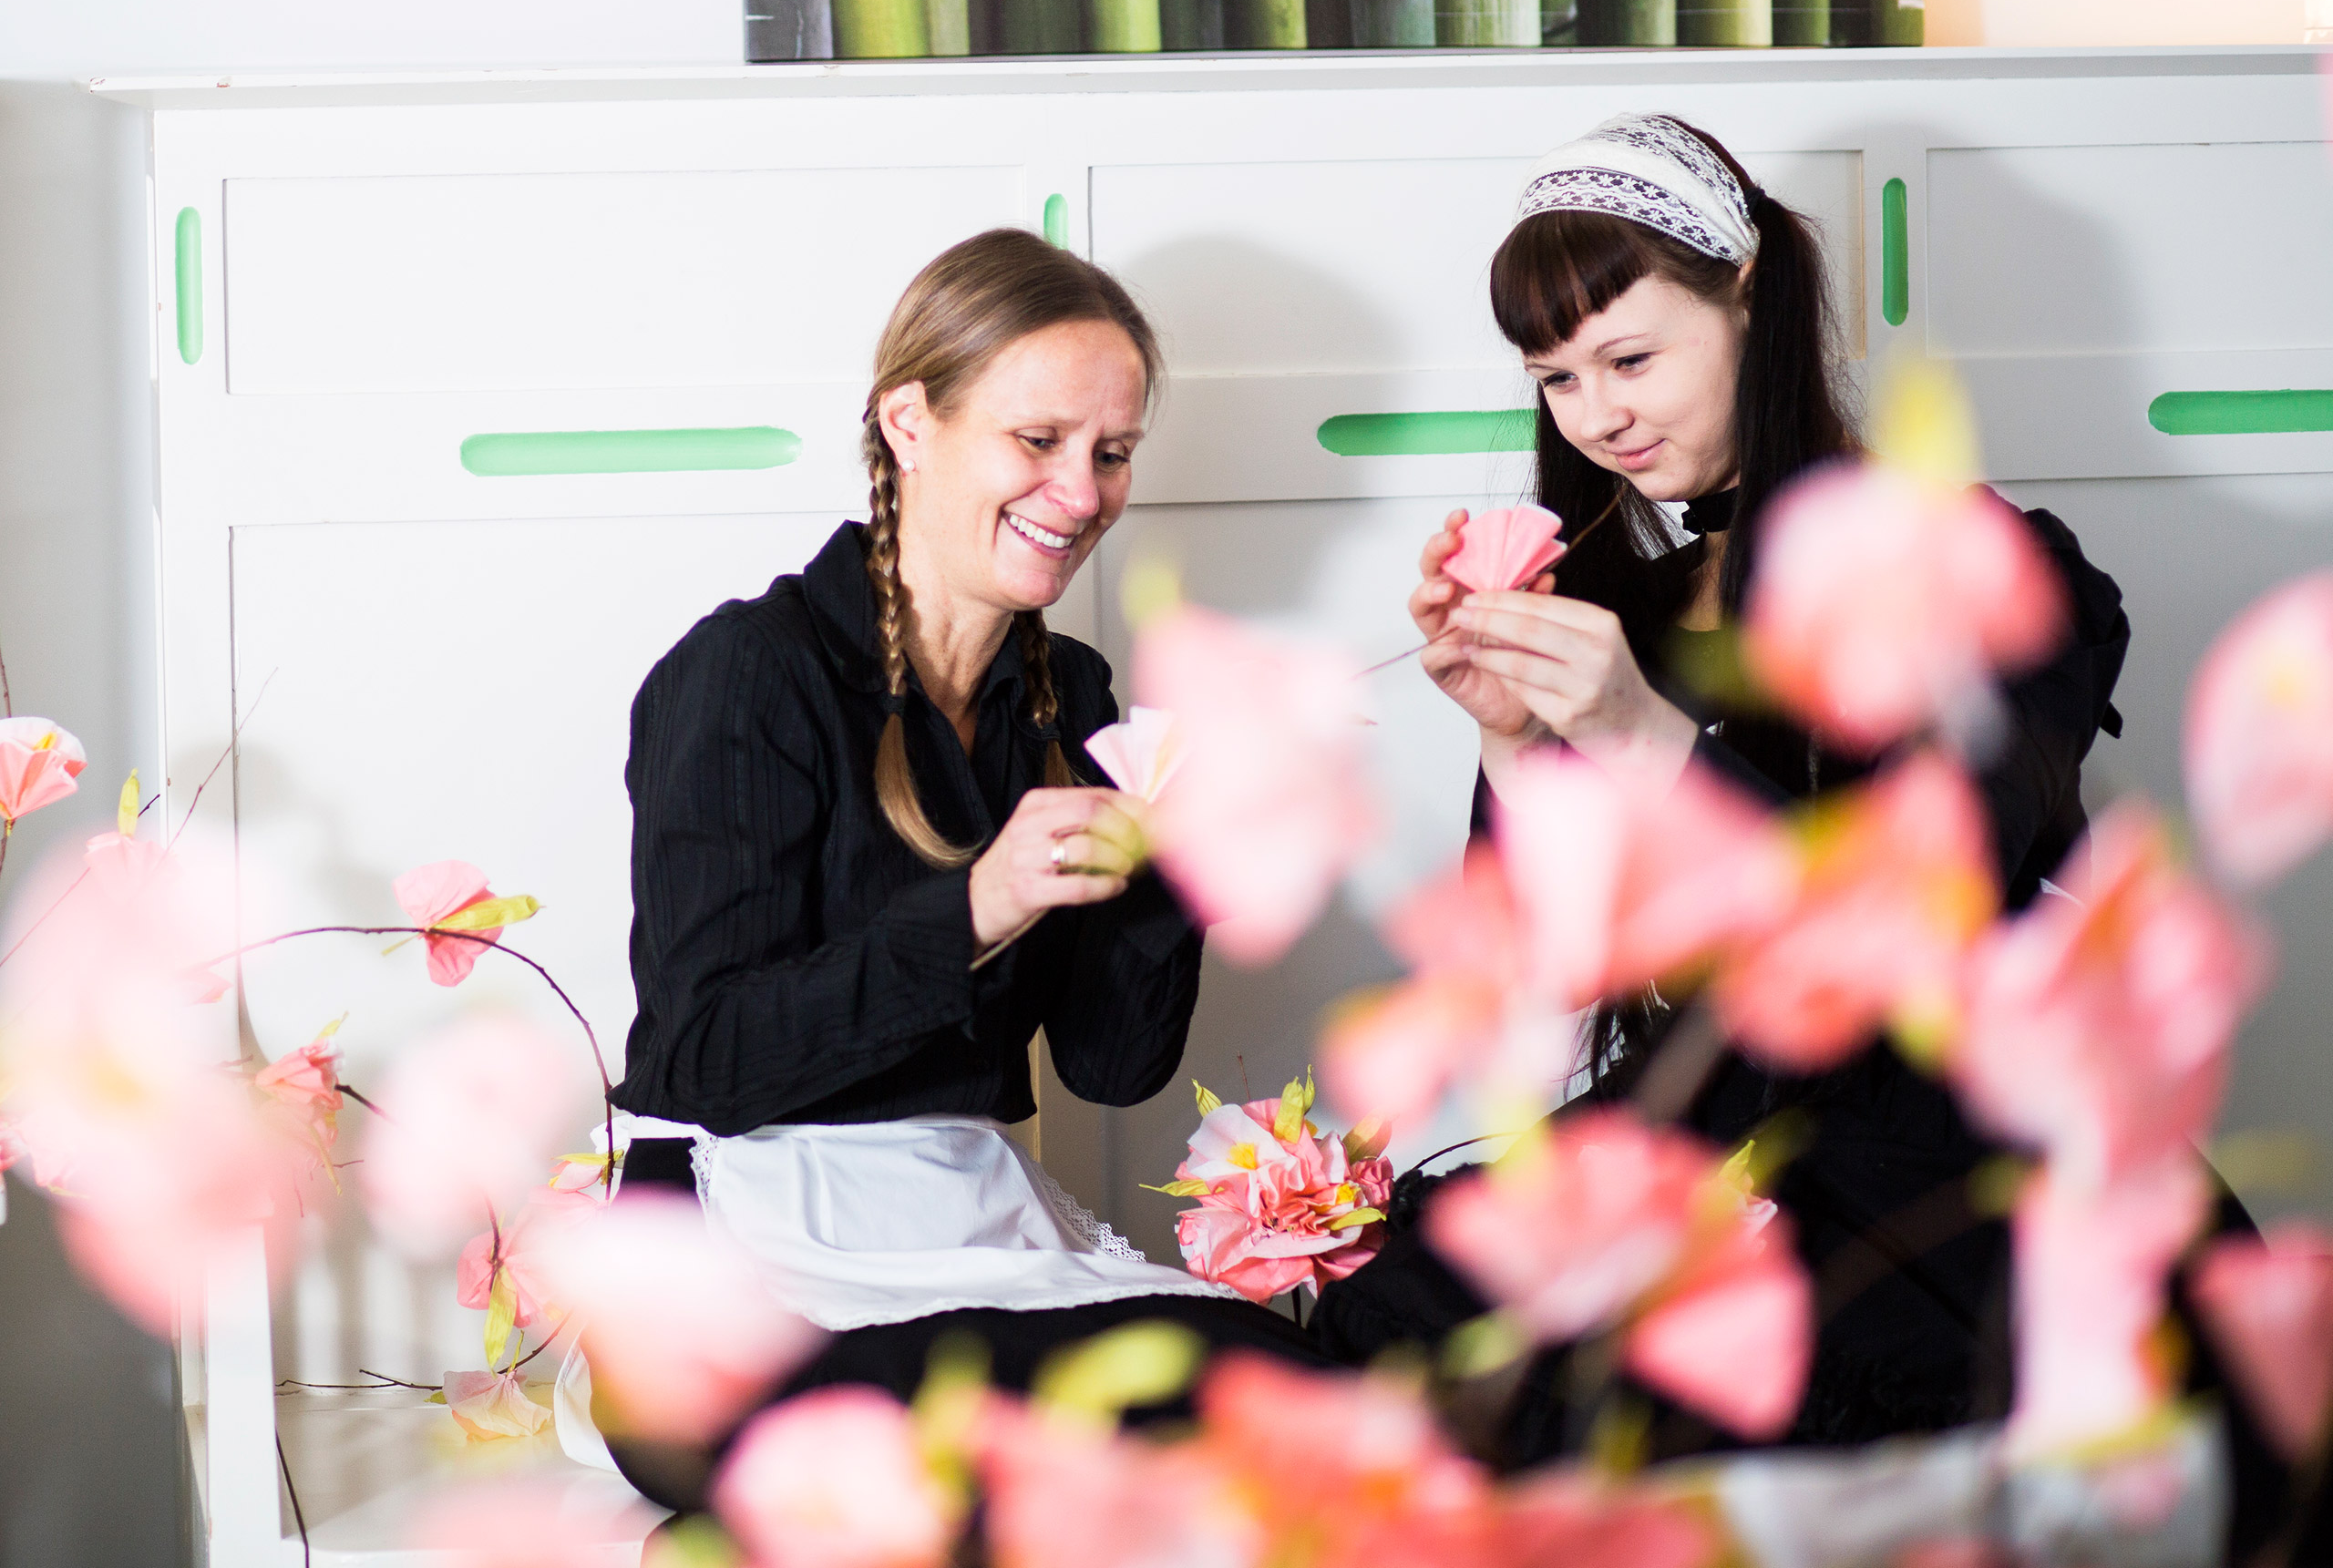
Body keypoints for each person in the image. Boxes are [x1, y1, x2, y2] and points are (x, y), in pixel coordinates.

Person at [1310, 113, 2140, 1460]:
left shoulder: (1971, 564)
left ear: (1747, 296)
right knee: (1391, 1338)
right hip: (1693, 1122)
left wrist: (1643, 734)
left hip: (1932, 1157)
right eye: (1557, 379)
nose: (1598, 416)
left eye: (1630, 359)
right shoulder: (1628, 606)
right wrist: (1511, 738)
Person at [582, 228, 1323, 1510]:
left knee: (1294, 1403)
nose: (1081, 494)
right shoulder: (751, 673)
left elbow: (1109, 1067)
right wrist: (980, 906)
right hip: (732, 1242)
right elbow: (705, 1063)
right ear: (909, 423)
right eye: (1038, 441)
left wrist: (1179, 862)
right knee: (933, 1468)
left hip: (961, 1225)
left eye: (1113, 453)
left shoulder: (1070, 696)